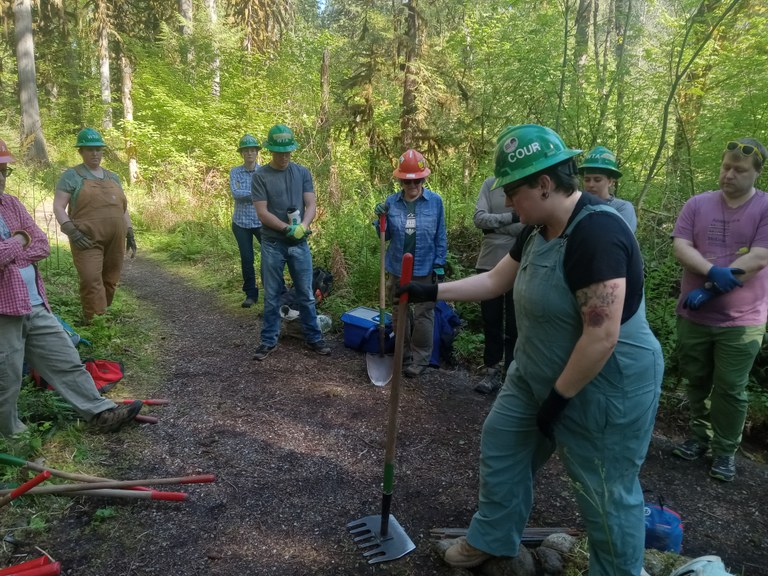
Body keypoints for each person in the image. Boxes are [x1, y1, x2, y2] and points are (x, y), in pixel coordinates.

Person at [397, 124, 663, 574]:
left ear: (544, 184)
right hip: (535, 372)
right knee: (502, 444)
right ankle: (494, 539)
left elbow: (602, 335)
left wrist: (558, 400)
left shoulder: (597, 234)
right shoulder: (536, 228)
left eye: (512, 191)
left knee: (604, 490)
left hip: (604, 387)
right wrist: (428, 290)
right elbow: (495, 281)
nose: (504, 203)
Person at [0, 139, 143, 437]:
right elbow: (19, 245)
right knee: (7, 375)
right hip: (4, 310)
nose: (1, 178)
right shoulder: (71, 176)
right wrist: (19, 241)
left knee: (65, 359)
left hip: (34, 303)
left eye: (4, 172)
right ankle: (11, 435)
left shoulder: (11, 204)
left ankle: (100, 412)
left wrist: (14, 247)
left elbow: (39, 243)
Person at [671, 137, 768, 482]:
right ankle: (700, 438)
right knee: (696, 380)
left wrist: (711, 288)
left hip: (742, 321)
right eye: (726, 167)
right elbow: (681, 246)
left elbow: (759, 257)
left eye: (739, 170)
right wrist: (711, 270)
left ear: (756, 173)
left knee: (730, 387)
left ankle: (725, 451)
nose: (729, 175)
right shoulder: (697, 204)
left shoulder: (765, 208)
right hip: (693, 316)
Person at [250, 124, 330, 360]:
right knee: (273, 293)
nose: (284, 157)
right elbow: (262, 212)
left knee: (306, 293)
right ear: (271, 150)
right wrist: (287, 228)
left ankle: (313, 337)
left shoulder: (302, 172)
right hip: (273, 243)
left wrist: (303, 227)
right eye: (279, 152)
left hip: (299, 243)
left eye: (287, 152)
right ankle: (268, 340)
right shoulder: (260, 176)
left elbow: (311, 204)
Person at [374, 149, 447, 378]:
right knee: (400, 313)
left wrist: (439, 264)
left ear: (423, 179)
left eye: (416, 180)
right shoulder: (391, 202)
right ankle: (401, 356)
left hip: (425, 267)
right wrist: (380, 220)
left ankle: (420, 359)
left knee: (425, 314)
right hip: (397, 268)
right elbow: (384, 236)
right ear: (400, 180)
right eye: (407, 180)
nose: (412, 185)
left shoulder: (435, 202)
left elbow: (440, 236)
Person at [53, 128, 136, 324]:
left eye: (98, 149)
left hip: (116, 238)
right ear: (81, 151)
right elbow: (58, 206)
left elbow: (122, 208)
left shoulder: (112, 177)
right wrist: (71, 231)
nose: (95, 153)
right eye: (89, 150)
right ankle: (94, 321)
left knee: (111, 279)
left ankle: (101, 316)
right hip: (86, 239)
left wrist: (130, 231)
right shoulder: (72, 176)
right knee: (91, 279)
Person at [472, 176, 523, 394]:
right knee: (490, 319)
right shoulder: (489, 184)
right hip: (489, 261)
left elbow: (528, 226)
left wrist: (496, 227)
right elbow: (479, 219)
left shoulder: (526, 182)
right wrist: (511, 217)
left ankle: (510, 375)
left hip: (519, 261)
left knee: (515, 323)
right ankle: (491, 370)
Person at [230, 134, 263, 308]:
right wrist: (257, 195)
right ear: (241, 153)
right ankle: (251, 294)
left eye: (252, 150)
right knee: (247, 258)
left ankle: (275, 290)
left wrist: (249, 193)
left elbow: (269, 195)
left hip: (261, 222)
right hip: (240, 223)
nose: (249, 153)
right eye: (246, 150)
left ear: (257, 152)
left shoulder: (264, 172)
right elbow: (236, 194)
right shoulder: (235, 171)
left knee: (270, 256)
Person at [578, 145, 637, 232]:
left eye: (597, 180)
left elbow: (620, 238)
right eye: (587, 180)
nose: (591, 184)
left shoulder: (622, 208)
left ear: (610, 182)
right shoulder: (578, 206)